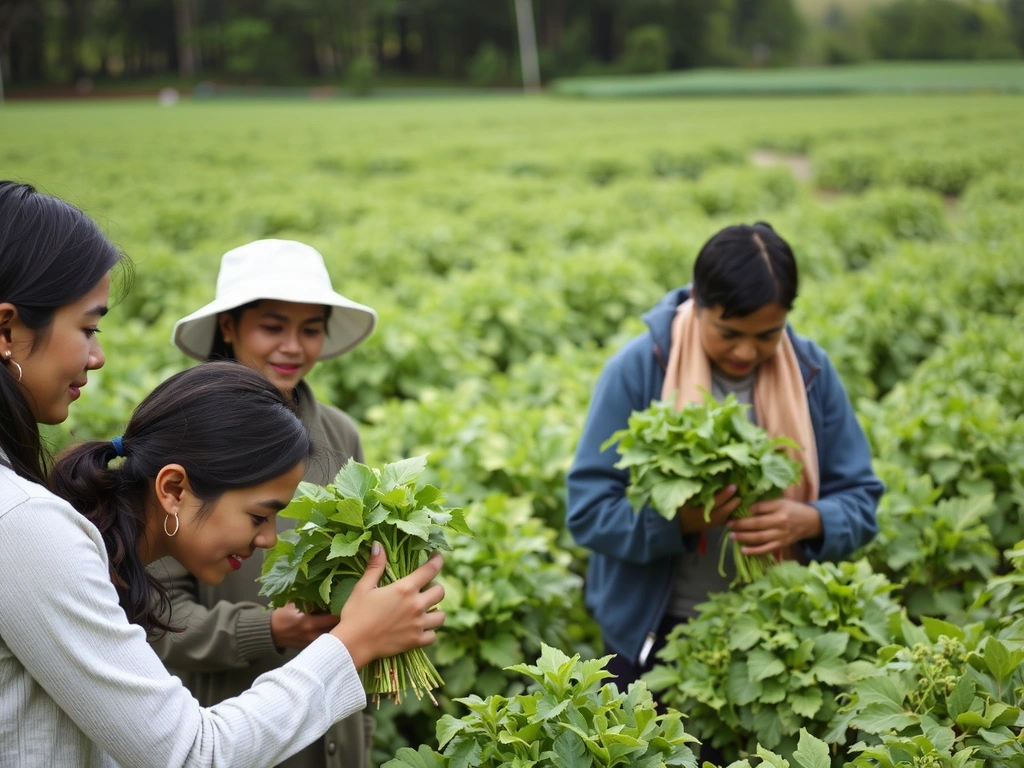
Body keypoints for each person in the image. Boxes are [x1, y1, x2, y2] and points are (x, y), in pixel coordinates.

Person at [0, 180, 444, 767]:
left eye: (311, 329)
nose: (96, 355)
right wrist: (333, 640)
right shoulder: (27, 525)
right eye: (89, 328)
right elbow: (188, 746)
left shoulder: (338, 434)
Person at [566, 222, 882, 689]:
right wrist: (680, 521)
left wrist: (810, 520)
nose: (746, 350)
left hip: (778, 629)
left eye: (767, 334)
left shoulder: (810, 371)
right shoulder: (640, 367)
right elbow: (588, 511)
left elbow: (861, 499)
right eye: (729, 332)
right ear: (697, 300)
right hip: (654, 634)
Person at [150, 238, 378, 768]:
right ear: (228, 326)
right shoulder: (185, 432)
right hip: (223, 732)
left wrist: (360, 737)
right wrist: (270, 628)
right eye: (273, 327)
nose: (293, 347)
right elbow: (152, 616)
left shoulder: (340, 436)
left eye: (311, 329)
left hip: (331, 739)